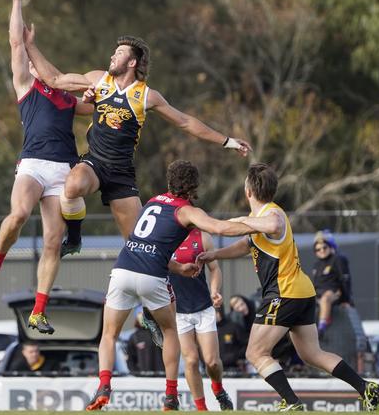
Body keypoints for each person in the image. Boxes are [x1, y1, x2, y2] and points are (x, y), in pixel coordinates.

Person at [23, 27, 252, 249]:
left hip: (122, 172)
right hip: (95, 163)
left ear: (132, 63)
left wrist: (228, 141)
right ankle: (74, 238)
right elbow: (56, 79)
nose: (113, 56)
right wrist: (30, 45)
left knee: (137, 246)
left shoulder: (147, 96)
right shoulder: (99, 80)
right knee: (72, 186)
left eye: (119, 53)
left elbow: (185, 121)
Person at [196, 163, 379, 411]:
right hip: (301, 291)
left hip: (283, 293)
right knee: (311, 354)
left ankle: (292, 402)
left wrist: (240, 221)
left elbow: (273, 225)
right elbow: (247, 244)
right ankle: (365, 388)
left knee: (255, 353)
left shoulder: (273, 214)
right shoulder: (259, 222)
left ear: (248, 190)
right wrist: (215, 254)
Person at [0, 0, 93, 336]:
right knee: (19, 215)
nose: (35, 65)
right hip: (34, 165)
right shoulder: (25, 87)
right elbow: (14, 44)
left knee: (54, 241)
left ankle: (39, 310)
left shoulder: (68, 98)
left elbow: (101, 105)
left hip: (63, 171)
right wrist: (16, 0)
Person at [86, 160, 258, 411]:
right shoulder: (187, 211)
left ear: (169, 182)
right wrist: (259, 224)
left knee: (109, 334)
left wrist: (178, 268)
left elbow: (151, 248)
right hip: (152, 277)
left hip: (122, 268)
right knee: (170, 332)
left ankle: (103, 385)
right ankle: (170, 395)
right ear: (193, 187)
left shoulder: (153, 202)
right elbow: (220, 227)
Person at [168, 228, 233, 411]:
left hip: (203, 307)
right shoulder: (166, 235)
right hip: (178, 311)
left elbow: (214, 269)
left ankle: (218, 389)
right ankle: (201, 409)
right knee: (191, 360)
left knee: (212, 361)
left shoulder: (202, 237)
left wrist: (214, 291)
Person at [312, 231, 351, 338]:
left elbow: (345, 279)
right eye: (318, 249)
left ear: (330, 246)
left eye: (324, 247)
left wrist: (346, 300)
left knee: (325, 298)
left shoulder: (338, 259)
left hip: (332, 292)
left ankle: (322, 328)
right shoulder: (317, 264)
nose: (322, 251)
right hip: (317, 294)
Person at [125, 309, 165, 375]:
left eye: (145, 313)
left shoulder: (161, 333)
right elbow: (130, 360)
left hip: (162, 377)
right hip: (143, 379)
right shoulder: (134, 337)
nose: (143, 316)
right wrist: (137, 374)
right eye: (140, 314)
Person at [215, 305, 248, 372]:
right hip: (213, 369)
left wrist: (235, 357)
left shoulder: (234, 327)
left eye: (213, 313)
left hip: (233, 368)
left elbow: (246, 345)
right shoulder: (208, 331)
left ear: (219, 313)